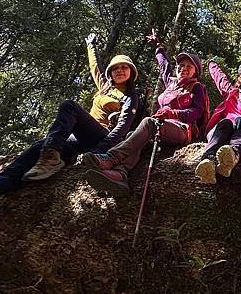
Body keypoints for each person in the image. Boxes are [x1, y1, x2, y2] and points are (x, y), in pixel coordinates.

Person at [0, 33, 139, 208]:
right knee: (40, 144)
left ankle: (51, 157)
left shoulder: (130, 96)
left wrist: (101, 149)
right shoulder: (105, 87)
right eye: (116, 68)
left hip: (102, 137)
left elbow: (123, 126)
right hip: (82, 138)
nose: (120, 70)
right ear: (111, 73)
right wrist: (91, 45)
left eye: (124, 67)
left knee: (69, 106)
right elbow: (95, 67)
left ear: (131, 72)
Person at [82, 29, 209, 196]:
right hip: (164, 126)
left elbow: (197, 112)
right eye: (181, 65)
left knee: (148, 123)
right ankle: (120, 175)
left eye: (189, 66)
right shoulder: (172, 84)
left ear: (195, 71)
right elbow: (164, 66)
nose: (183, 69)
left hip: (183, 129)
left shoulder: (196, 87)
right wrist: (158, 47)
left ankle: (110, 158)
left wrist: (172, 113)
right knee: (132, 135)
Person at [195, 59, 241, 184]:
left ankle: (232, 156)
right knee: (226, 122)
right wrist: (211, 64)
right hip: (221, 131)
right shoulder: (232, 92)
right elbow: (220, 79)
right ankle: (208, 161)